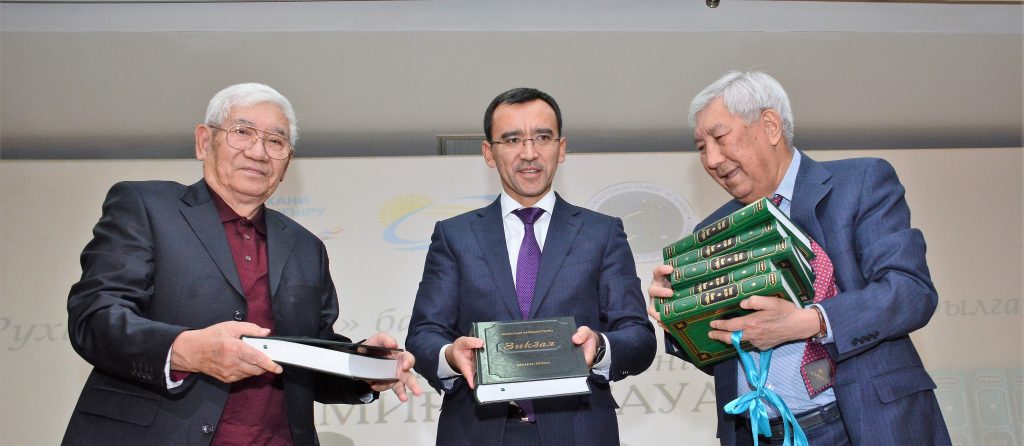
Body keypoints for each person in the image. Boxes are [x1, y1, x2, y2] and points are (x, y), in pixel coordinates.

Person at [63, 83, 421, 446]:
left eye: (275, 141)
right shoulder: (145, 206)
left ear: (287, 163)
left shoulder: (306, 247)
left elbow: (309, 360)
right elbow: (95, 317)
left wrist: (362, 364)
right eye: (242, 132)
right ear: (204, 141)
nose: (258, 151)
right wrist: (189, 351)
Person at [648, 71, 951, 445]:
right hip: (761, 434)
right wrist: (679, 316)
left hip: (864, 426)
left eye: (720, 138)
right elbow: (725, 356)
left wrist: (809, 322)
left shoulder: (860, 182)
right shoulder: (712, 232)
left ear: (770, 126)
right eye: (700, 147)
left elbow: (909, 292)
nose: (711, 159)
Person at [406, 87, 656, 446]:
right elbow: (423, 334)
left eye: (542, 137)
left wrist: (599, 347)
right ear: (489, 153)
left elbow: (637, 335)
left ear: (561, 148)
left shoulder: (602, 233)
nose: (529, 153)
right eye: (512, 140)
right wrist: (450, 354)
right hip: (476, 432)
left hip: (579, 432)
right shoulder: (454, 236)